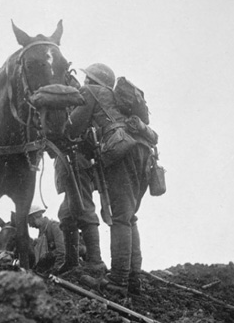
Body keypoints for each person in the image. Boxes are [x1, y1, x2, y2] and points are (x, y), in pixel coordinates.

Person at [69, 63, 157, 296]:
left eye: (87, 78)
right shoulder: (119, 101)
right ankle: (133, 277)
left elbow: (72, 127)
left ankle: (118, 280)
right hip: (144, 153)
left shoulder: (90, 92)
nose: (84, 83)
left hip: (122, 152)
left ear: (92, 80)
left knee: (120, 218)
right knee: (129, 216)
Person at [54, 148, 107, 277]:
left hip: (76, 161)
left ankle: (96, 262)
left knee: (84, 209)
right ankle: (71, 261)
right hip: (67, 162)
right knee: (66, 214)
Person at [27, 205, 66, 273]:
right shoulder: (41, 233)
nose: (30, 225)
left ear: (35, 217)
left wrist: (56, 270)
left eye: (30, 222)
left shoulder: (54, 227)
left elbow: (62, 251)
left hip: (60, 266)